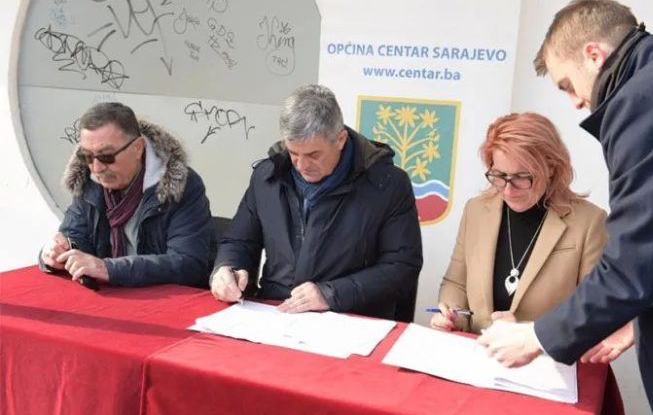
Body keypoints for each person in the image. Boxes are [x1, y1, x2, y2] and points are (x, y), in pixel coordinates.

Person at [477, 0, 653, 415]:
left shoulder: (643, 99)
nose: (576, 103)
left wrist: (537, 337)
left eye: (568, 85)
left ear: (593, 55)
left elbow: (630, 269)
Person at [211, 84, 423, 320]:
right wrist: (227, 268)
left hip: (349, 319)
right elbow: (239, 241)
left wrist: (330, 294)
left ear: (340, 139)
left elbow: (401, 267)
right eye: (293, 153)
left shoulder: (388, 185)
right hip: (274, 313)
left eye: (313, 155)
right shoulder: (267, 176)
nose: (302, 166)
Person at [431, 112, 609, 334]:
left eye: (521, 177)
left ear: (551, 168)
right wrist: (453, 314)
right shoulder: (476, 210)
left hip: (543, 354)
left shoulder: (589, 222)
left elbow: (594, 312)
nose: (508, 190)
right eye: (499, 175)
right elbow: (456, 283)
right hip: (476, 350)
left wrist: (528, 332)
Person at [39, 102, 213, 287]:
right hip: (109, 293)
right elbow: (74, 235)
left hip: (164, 296)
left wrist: (110, 269)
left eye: (107, 156)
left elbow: (188, 264)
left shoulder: (181, 185)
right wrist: (59, 252)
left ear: (138, 148)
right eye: (86, 156)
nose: (96, 168)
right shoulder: (88, 180)